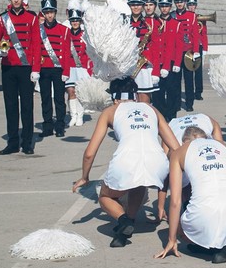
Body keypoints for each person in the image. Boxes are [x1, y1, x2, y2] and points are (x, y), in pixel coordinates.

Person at [72, 77, 179, 248]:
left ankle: (123, 220)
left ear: (115, 98)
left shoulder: (110, 111)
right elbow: (175, 147)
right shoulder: (152, 109)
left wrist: (84, 177)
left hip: (125, 161)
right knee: (139, 183)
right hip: (157, 162)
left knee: (105, 197)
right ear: (135, 96)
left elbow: (90, 153)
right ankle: (128, 223)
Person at [155, 126, 226, 263]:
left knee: (183, 228)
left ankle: (212, 248)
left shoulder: (178, 152)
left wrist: (171, 239)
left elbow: (175, 202)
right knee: (225, 202)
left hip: (205, 211)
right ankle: (225, 241)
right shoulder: (225, 147)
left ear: (184, 141)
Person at [0, 0, 41, 155]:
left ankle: (27, 143)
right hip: (9, 67)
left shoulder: (32, 17)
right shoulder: (2, 18)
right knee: (11, 105)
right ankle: (13, 142)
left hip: (26, 68)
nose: (16, 0)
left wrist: (36, 69)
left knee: (27, 106)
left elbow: (37, 44)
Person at [36, 0, 71, 138]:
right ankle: (47, 125)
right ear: (43, 13)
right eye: (47, 12)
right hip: (44, 69)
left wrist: (66, 71)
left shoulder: (64, 30)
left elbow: (67, 52)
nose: (49, 15)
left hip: (58, 70)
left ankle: (60, 126)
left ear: (55, 13)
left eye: (51, 12)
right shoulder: (38, 30)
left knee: (59, 99)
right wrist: (35, 70)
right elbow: (36, 51)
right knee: (45, 99)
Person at [171, 0, 201, 112]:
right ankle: (176, 103)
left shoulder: (192, 16)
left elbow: (195, 34)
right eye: (177, 2)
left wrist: (195, 51)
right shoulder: (172, 15)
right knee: (175, 81)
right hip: (176, 53)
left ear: (185, 2)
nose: (179, 4)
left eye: (181, 1)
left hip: (188, 52)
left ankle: (189, 103)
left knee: (189, 80)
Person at [64, 0, 92, 127]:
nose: (75, 22)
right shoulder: (66, 34)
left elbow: (90, 53)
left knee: (80, 92)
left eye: (77, 20)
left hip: (82, 68)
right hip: (70, 67)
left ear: (80, 21)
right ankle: (73, 115)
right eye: (72, 20)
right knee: (71, 91)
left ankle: (80, 116)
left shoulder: (85, 34)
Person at [186, 0, 206, 102]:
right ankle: (190, 93)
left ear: (196, 6)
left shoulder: (200, 17)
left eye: (193, 4)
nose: (191, 7)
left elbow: (204, 33)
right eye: (189, 4)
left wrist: (205, 48)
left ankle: (198, 92)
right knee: (189, 71)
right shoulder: (184, 17)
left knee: (198, 71)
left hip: (198, 45)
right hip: (188, 46)